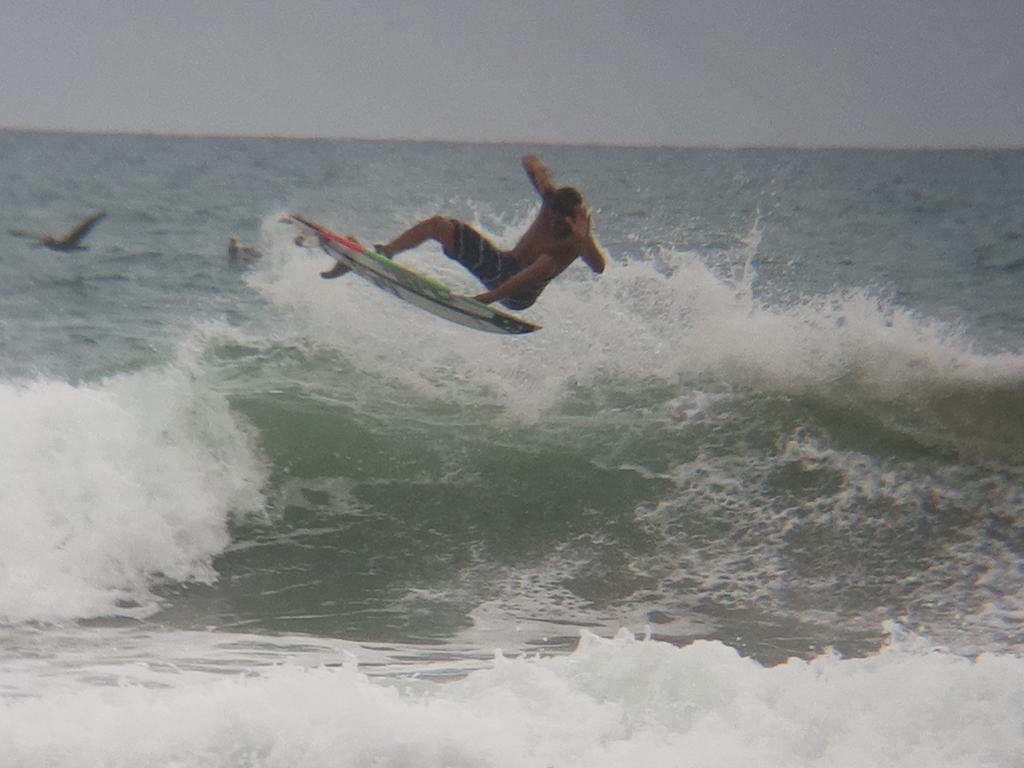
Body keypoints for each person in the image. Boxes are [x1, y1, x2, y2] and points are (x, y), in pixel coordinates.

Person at [329, 155, 607, 310]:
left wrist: (581, 236)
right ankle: (385, 253)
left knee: (546, 262)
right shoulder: (550, 202)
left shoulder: (578, 240)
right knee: (439, 224)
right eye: (551, 216)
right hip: (502, 265)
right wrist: (539, 171)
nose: (554, 223)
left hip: (518, 296)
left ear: (573, 220)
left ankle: (485, 300)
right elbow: (528, 161)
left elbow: (599, 267)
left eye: (561, 223)